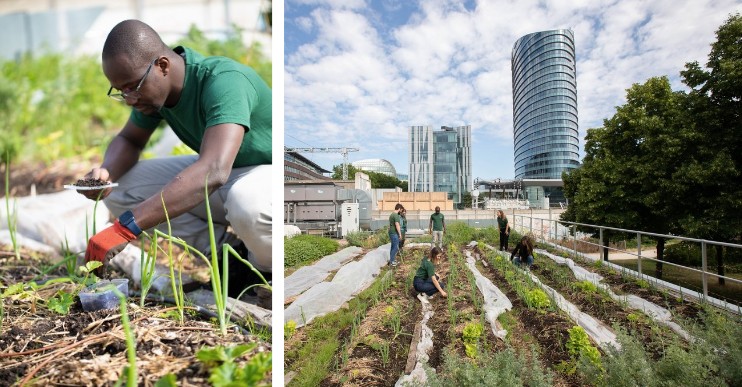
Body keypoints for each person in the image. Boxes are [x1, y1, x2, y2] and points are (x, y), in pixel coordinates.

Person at [77, 20, 272, 302]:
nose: (129, 100)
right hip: (224, 176)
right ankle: (231, 257)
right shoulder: (154, 94)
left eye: (132, 87)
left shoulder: (224, 81)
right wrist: (106, 172)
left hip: (267, 179)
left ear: (163, 65)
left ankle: (264, 272)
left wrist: (126, 227)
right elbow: (130, 140)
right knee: (123, 187)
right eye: (120, 91)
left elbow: (214, 170)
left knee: (247, 204)